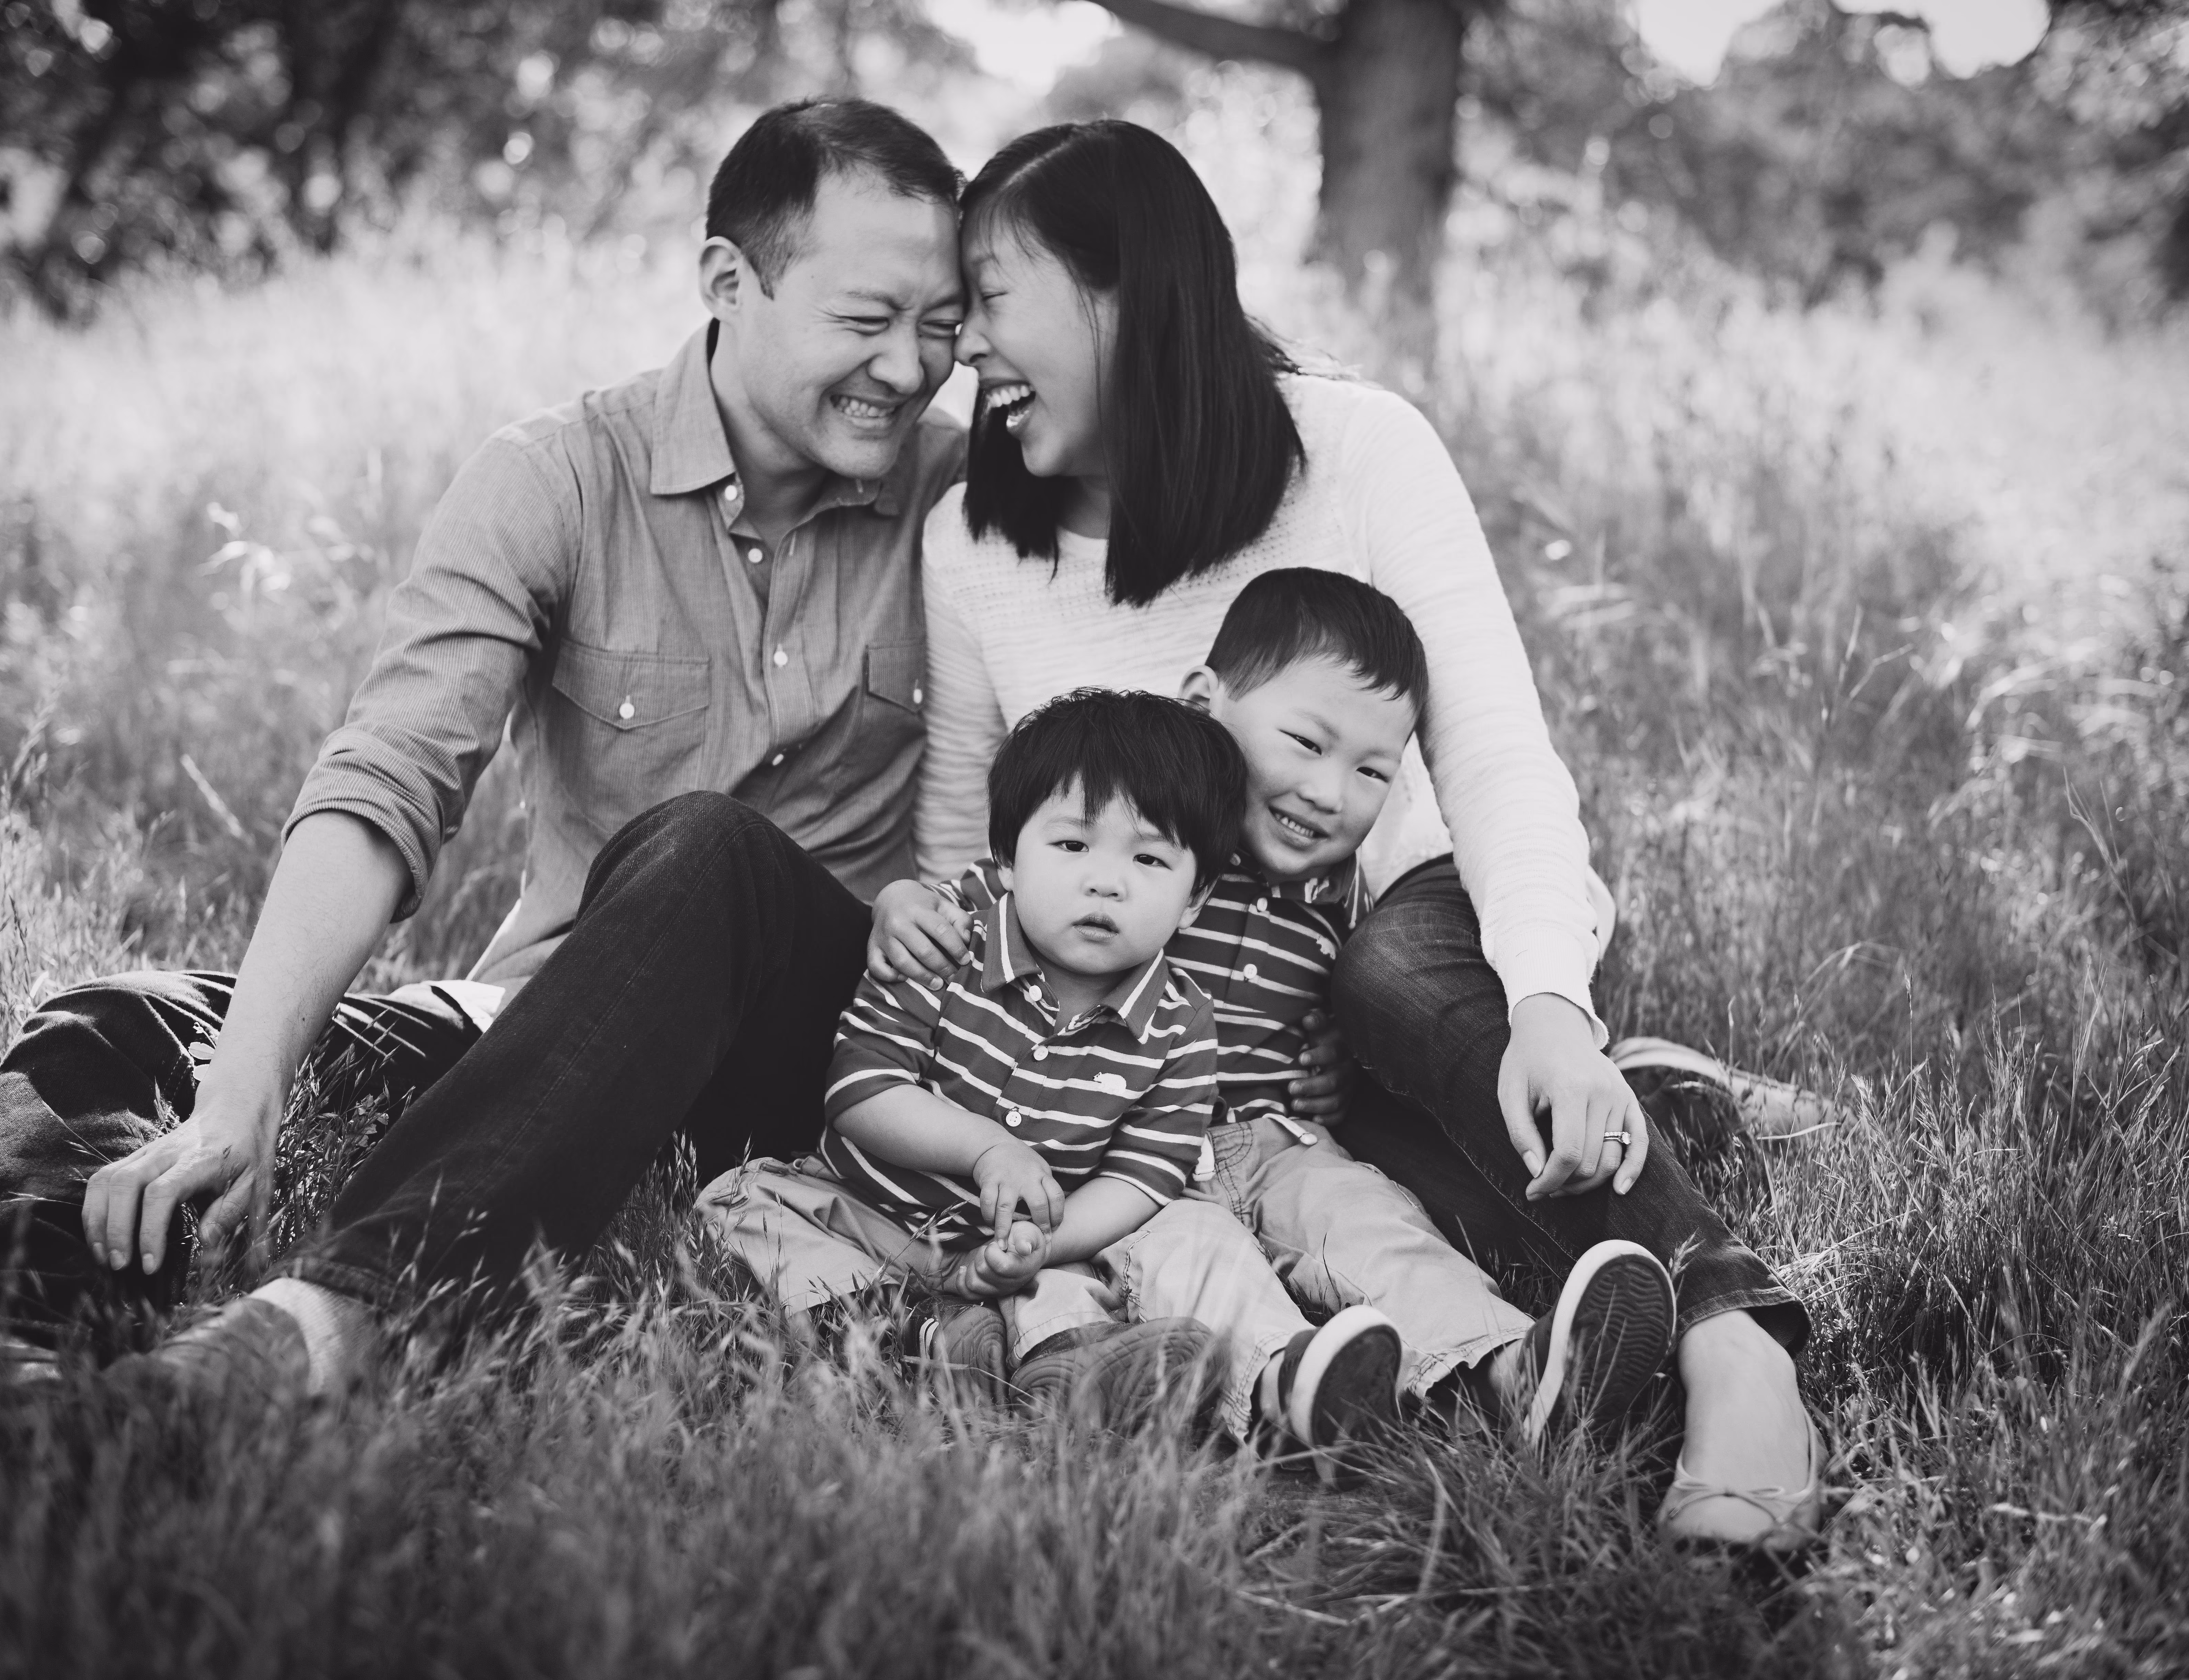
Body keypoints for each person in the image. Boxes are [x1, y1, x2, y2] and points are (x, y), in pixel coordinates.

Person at [0, 97, 978, 1386]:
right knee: (113, 1019)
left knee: (710, 853)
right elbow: (388, 779)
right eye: (866, 321)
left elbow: (1163, 403)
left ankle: (319, 1330)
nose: (908, 368)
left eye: (938, 328)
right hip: (558, 1024)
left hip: (822, 1061)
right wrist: (242, 1095)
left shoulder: (970, 500)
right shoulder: (556, 478)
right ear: (726, 281)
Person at [915, 119, 1821, 1550]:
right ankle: (1540, 1302)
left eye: (990, 291)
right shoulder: (974, 537)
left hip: (1393, 929)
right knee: (1405, 1178)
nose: (962, 341)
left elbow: (1496, 755)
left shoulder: (1356, 450)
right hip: (1209, 1067)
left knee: (1392, 985)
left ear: (1125, 293)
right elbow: (966, 841)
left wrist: (1547, 1003)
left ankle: (1739, 1350)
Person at [874, 569, 1681, 1450]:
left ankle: (1509, 1366)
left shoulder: (1337, 893)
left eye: (1373, 770)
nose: (1331, 793)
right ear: (1204, 704)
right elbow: (1005, 892)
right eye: (1305, 741)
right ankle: (1289, 1381)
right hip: (1136, 1163)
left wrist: (1336, 1058)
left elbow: (1337, 1011)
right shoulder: (1145, 836)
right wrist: (904, 901)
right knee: (1200, 1258)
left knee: (1371, 1224)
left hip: (1276, 1141)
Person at [700, 687, 1408, 1465]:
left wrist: (1044, 1241)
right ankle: (912, 1333)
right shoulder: (945, 941)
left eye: (1148, 859)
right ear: (1008, 854)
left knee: (1083, 1278)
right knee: (743, 1200)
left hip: (1038, 1242)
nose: (1106, 882)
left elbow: (1146, 1176)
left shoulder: (1180, 1020)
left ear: (1196, 897)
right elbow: (861, 1092)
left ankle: (1079, 1373)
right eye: (1073, 846)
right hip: (872, 1215)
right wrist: (985, 1149)